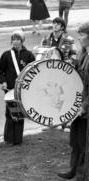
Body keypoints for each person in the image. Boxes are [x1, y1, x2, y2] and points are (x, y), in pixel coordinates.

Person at [57, 22, 89, 181]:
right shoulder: (84, 53)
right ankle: (73, 170)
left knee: (84, 143)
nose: (79, 38)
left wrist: (84, 107)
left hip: (85, 109)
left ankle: (82, 174)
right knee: (75, 141)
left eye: (82, 35)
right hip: (78, 105)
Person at [0, 30, 35, 145]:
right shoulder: (6, 55)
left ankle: (18, 139)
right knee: (9, 112)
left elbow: (33, 72)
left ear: (22, 41)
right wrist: (3, 82)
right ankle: (8, 138)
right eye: (13, 39)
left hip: (22, 90)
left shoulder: (29, 55)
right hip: (9, 89)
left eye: (18, 39)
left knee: (20, 113)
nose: (15, 42)